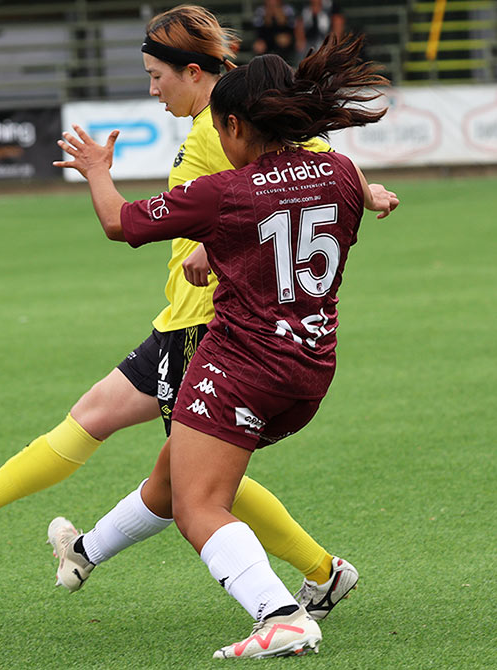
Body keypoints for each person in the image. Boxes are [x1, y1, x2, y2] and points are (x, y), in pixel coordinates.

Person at [0, 5, 360, 618]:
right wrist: (361, 187)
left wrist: (206, 241)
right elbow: (299, 177)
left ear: (194, 73)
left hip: (213, 327)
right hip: (183, 318)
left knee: (194, 482)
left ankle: (316, 574)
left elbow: (266, 189)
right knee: (102, 417)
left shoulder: (221, 128)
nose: (152, 90)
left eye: (157, 76)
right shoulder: (225, 124)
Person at [52, 32, 397, 658]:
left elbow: (119, 223)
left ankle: (279, 613)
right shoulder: (344, 175)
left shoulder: (228, 193)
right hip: (311, 371)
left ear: (235, 124)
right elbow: (291, 227)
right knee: (173, 473)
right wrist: (224, 247)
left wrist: (98, 172)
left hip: (240, 365)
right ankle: (84, 552)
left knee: (200, 506)